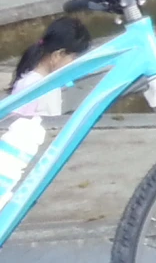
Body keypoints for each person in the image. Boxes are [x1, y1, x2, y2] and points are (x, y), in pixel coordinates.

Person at [0, 15, 91, 194]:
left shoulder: (31, 78)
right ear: (58, 55)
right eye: (73, 58)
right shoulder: (43, 88)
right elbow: (50, 129)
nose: (74, 64)